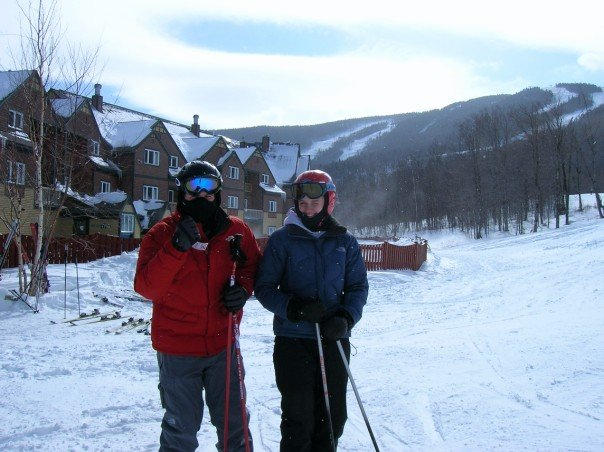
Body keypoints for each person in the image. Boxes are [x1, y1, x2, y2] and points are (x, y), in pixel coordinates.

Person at [134, 160, 261, 452]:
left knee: (235, 425)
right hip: (177, 349)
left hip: (223, 344)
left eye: (209, 189)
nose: (202, 196)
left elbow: (252, 266)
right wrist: (176, 248)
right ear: (182, 193)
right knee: (180, 430)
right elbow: (147, 287)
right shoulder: (162, 234)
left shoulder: (235, 230)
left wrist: (243, 289)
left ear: (218, 193)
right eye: (194, 188)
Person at [254, 169, 369, 451]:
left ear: (329, 202)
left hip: (333, 338)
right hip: (293, 340)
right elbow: (265, 288)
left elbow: (357, 287)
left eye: (314, 204)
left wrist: (345, 318)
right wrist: (296, 309)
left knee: (332, 418)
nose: (307, 210)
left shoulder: (345, 241)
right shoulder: (283, 239)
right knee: (299, 417)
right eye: (302, 204)